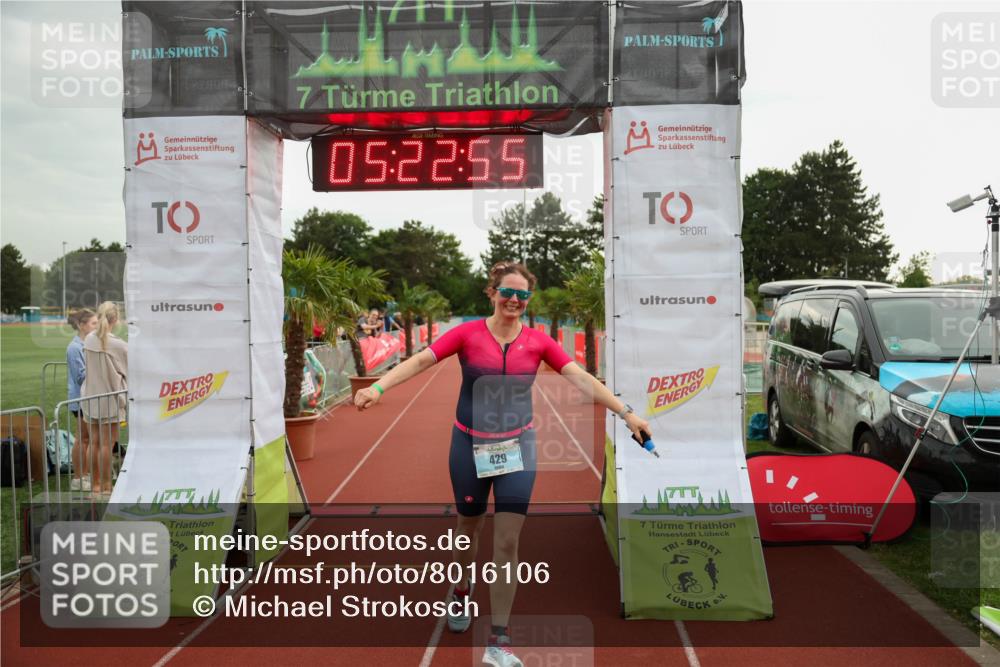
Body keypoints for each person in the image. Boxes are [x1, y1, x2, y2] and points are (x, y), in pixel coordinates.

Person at [354, 261, 651, 667]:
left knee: (508, 542)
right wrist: (378, 386)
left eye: (522, 294)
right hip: (468, 445)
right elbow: (422, 360)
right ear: (491, 293)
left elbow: (581, 377)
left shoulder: (538, 342)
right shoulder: (468, 334)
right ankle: (461, 590)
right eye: (507, 292)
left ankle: (499, 640)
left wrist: (627, 413)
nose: (515, 300)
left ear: (529, 299)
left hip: (517, 448)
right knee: (468, 527)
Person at [81, 302, 128, 496]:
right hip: (109, 399)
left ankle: (96, 485)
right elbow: (129, 368)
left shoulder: (89, 339)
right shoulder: (117, 344)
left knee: (95, 443)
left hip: (91, 397)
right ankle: (107, 486)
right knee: (107, 444)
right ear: (115, 320)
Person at [67, 308, 97, 492]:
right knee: (83, 439)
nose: (96, 326)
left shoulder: (89, 343)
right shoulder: (75, 347)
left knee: (88, 438)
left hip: (90, 397)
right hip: (80, 398)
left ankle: (85, 474)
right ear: (81, 325)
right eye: (93, 323)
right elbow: (80, 376)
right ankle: (79, 477)